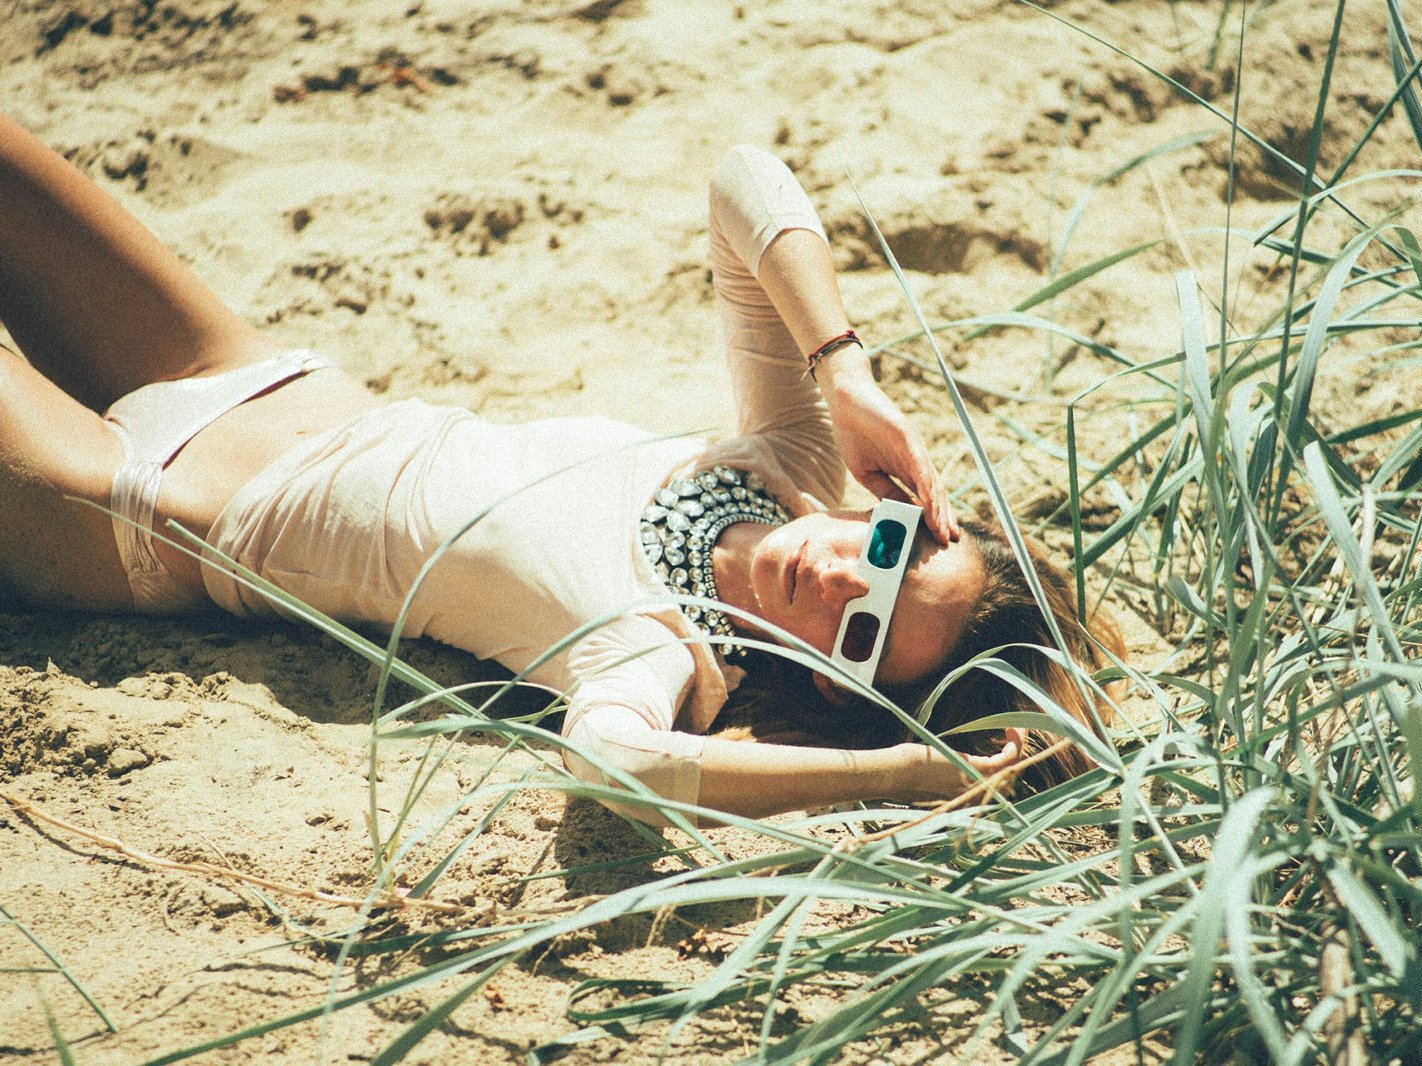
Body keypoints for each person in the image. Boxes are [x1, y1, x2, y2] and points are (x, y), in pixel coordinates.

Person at [0, 113, 1123, 824]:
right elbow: (744, 181)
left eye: (865, 631)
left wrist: (899, 777)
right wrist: (842, 368)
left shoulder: (657, 651)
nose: (839, 580)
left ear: (840, 689)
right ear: (908, 509)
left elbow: (613, 765)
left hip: (129, 512)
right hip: (243, 368)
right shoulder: (786, 459)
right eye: (887, 549)